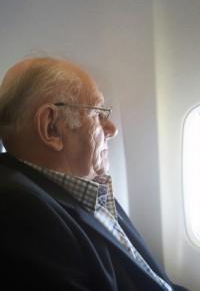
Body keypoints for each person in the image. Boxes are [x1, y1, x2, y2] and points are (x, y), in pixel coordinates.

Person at [0, 57, 188, 291]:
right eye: (98, 113)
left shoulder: (86, 187)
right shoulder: (21, 211)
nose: (112, 129)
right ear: (52, 127)